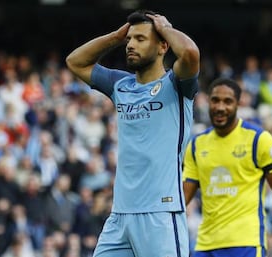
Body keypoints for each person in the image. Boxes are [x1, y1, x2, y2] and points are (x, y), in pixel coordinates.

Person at [66, 9, 200, 257]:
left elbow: (191, 53)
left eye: (140, 39)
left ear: (163, 46)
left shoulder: (176, 84)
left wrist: (167, 29)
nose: (131, 44)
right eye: (130, 39)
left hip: (160, 213)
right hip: (120, 214)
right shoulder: (121, 84)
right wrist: (115, 38)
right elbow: (75, 62)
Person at [182, 78, 272, 257]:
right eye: (215, 100)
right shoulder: (196, 144)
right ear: (208, 102)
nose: (220, 107)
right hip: (205, 246)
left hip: (246, 244)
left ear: (238, 105)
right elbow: (183, 198)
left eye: (227, 101)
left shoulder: (259, 140)